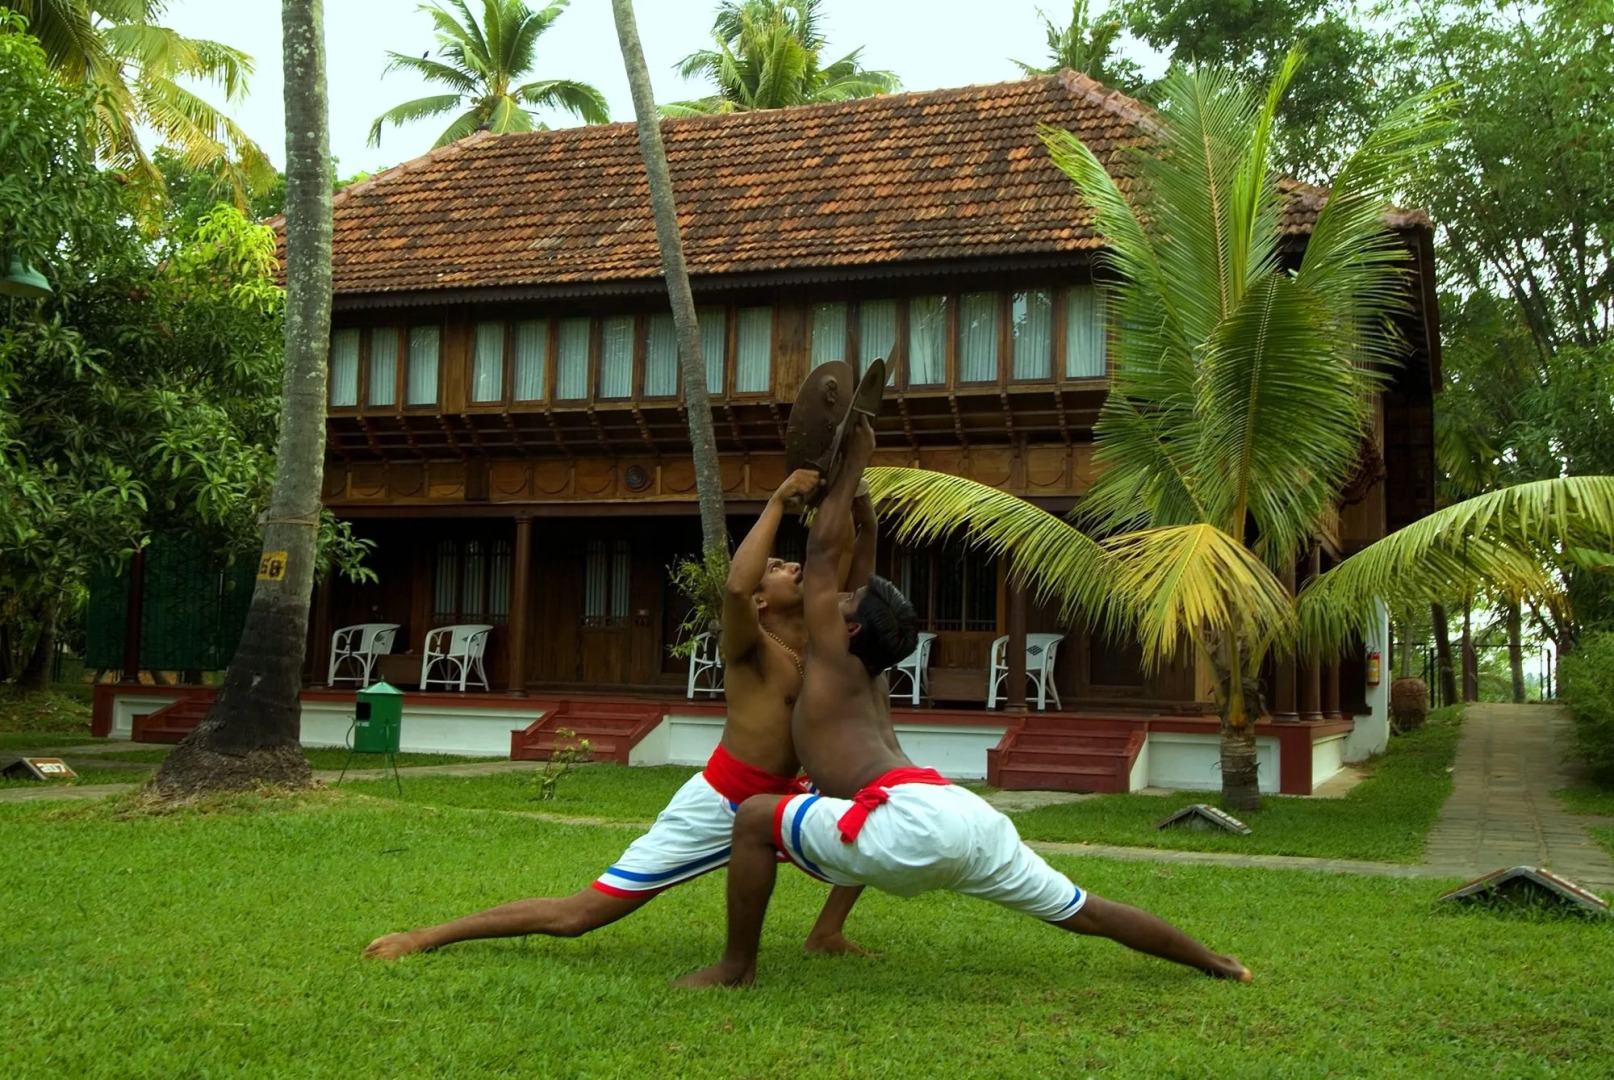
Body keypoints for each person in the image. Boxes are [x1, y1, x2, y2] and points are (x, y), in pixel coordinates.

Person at [675, 419, 1251, 988]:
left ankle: (735, 968)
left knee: (753, 818)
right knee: (1085, 909)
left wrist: (853, 460)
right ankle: (1215, 961)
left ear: (847, 631)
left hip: (908, 820)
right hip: (966, 814)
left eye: (843, 605)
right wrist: (865, 506)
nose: (836, 596)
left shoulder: (828, 658)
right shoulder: (864, 668)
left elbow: (826, 552)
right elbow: (859, 572)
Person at [364, 469, 872, 960]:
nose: (794, 568)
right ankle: (426, 936)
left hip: (783, 797)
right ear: (762, 601)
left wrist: (862, 514)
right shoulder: (749, 647)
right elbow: (736, 589)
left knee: (873, 817)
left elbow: (847, 570)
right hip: (722, 801)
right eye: (778, 566)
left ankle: (825, 932)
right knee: (577, 916)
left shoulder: (814, 636)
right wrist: (778, 500)